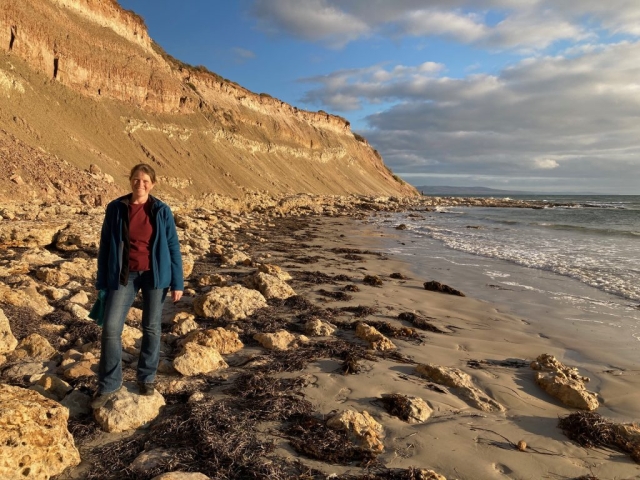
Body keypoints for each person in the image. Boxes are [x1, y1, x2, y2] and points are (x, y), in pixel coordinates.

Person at [93, 163, 183, 406]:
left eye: (145, 181)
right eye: (136, 179)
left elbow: (173, 246)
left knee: (152, 327)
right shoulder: (116, 208)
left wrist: (178, 282)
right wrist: (102, 280)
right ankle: (110, 385)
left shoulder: (161, 210)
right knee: (111, 328)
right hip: (124, 276)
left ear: (152, 184)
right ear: (130, 181)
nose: (140, 184)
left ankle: (147, 378)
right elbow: (105, 246)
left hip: (155, 276)